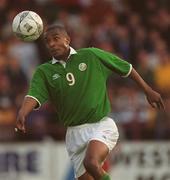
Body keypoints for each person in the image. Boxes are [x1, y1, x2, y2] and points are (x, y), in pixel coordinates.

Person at [16, 24, 165, 180]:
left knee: (91, 163)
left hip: (100, 125)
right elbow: (34, 95)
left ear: (67, 40)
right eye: (48, 41)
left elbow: (126, 68)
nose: (52, 44)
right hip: (74, 134)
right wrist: (23, 112)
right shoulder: (44, 71)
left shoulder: (90, 55)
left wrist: (147, 90)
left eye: (56, 39)